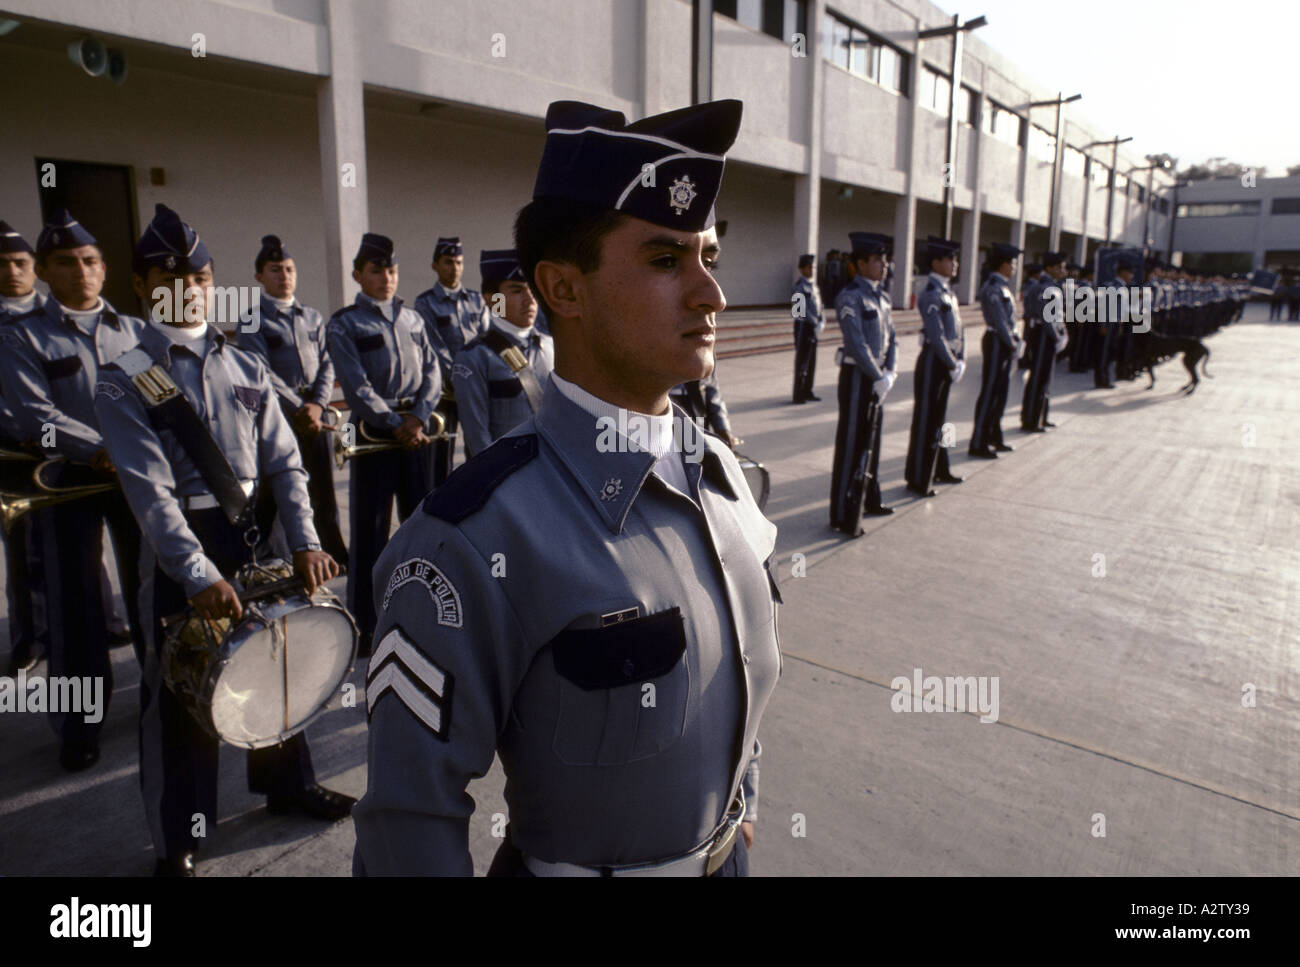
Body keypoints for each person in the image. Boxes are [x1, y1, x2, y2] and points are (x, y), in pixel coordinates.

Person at [353, 97, 779, 877]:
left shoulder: (718, 473)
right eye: (664, 261)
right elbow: (406, 831)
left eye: (707, 257)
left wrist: (734, 806)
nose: (710, 295)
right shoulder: (473, 537)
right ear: (564, 288)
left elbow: (741, 672)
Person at [93, 204, 353, 877]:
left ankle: (287, 781)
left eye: (201, 275)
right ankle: (179, 834)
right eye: (170, 276)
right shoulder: (126, 377)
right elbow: (150, 493)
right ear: (144, 283)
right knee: (181, 689)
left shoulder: (243, 364)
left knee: (281, 660)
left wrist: (304, 539)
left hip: (254, 532)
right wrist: (195, 571)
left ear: (212, 281)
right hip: (185, 543)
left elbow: (286, 462)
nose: (189, 288)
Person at [0, 210, 147, 772]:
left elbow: (151, 397)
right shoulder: (21, 336)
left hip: (133, 477)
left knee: (146, 592)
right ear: (43, 271)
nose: (80, 273)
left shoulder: (132, 332)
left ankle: (163, 693)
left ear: (104, 269)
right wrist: (100, 447)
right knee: (74, 606)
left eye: (89, 262)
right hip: (69, 479)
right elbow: (34, 416)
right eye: (65, 263)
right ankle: (79, 724)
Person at [326, 233, 442, 656]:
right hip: (376, 436)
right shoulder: (344, 323)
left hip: (416, 432)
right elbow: (355, 387)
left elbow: (432, 371)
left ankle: (422, 611)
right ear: (359, 274)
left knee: (422, 526)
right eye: (376, 270)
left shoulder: (413, 319)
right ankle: (365, 623)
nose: (386, 278)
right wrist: (396, 423)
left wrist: (420, 417)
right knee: (370, 530)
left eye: (391, 270)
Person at [237, 234, 347, 561]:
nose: (284, 276)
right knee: (279, 490)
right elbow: (260, 370)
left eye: (289, 269)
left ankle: (333, 552)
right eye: (275, 270)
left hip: (315, 414)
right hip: (281, 417)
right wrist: (300, 408)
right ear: (259, 277)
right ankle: (274, 557)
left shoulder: (311, 316)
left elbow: (327, 362)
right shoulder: (252, 320)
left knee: (322, 491)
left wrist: (318, 404)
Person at [0, 220, 49, 677]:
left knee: (81, 543)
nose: (13, 271)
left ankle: (107, 621)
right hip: (12, 446)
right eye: (3, 263)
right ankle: (29, 637)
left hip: (62, 444)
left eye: (21, 262)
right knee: (23, 547)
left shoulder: (55, 312)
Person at [451, 249, 554, 458]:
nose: (529, 300)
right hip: (507, 474)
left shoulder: (552, 346)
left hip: (552, 469)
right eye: (517, 291)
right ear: (493, 300)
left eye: (532, 290)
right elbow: (477, 437)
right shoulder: (474, 357)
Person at [828, 231, 897, 533]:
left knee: (873, 440)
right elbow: (856, 342)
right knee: (852, 441)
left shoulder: (882, 298)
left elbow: (892, 338)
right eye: (878, 260)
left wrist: (890, 371)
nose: (884, 265)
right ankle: (843, 511)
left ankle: (869, 498)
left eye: (884, 260)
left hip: (878, 377)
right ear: (860, 263)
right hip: (858, 376)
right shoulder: (850, 297)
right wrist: (877, 373)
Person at [414, 237, 488, 485]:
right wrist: (461, 376)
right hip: (445, 392)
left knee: (480, 448)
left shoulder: (480, 300)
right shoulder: (424, 303)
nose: (454, 268)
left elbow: (492, 337)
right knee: (439, 454)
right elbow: (435, 347)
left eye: (459, 262)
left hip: (477, 388)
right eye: (448, 262)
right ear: (435, 265)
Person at [905, 236, 965, 496]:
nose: (955, 263)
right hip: (934, 361)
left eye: (955, 259)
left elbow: (956, 331)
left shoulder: (947, 292)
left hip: (947, 361)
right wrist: (953, 362)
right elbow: (937, 334)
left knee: (942, 420)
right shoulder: (930, 294)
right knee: (927, 420)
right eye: (950, 259)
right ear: (936, 262)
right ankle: (919, 476)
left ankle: (941, 467)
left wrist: (959, 358)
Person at [969, 242, 1024, 458]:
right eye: (1013, 264)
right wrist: (1013, 343)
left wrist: (1015, 339)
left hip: (1005, 342)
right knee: (990, 391)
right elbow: (1000, 321)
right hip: (996, 341)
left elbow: (1011, 320)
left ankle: (994, 435)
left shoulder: (1003, 286)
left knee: (1001, 392)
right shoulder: (992, 287)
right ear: (1003, 265)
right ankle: (978, 441)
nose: (1014, 268)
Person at [1020, 251, 1068, 432]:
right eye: (1060, 267)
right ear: (1049, 268)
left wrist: (1061, 332)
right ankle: (1031, 419)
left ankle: (1041, 415)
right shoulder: (1044, 287)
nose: (1063, 270)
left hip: (1048, 334)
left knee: (1046, 377)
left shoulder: (1052, 286)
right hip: (1042, 335)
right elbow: (1046, 317)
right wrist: (1056, 336)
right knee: (1039, 377)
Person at [791, 253, 823, 403]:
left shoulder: (813, 286)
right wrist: (815, 322)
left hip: (813, 327)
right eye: (809, 267)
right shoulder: (799, 287)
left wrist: (821, 320)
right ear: (802, 269)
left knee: (811, 362)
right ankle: (798, 394)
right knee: (802, 363)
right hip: (803, 327)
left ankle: (808, 390)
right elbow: (799, 311)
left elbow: (819, 306)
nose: (812, 270)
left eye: (813, 267)